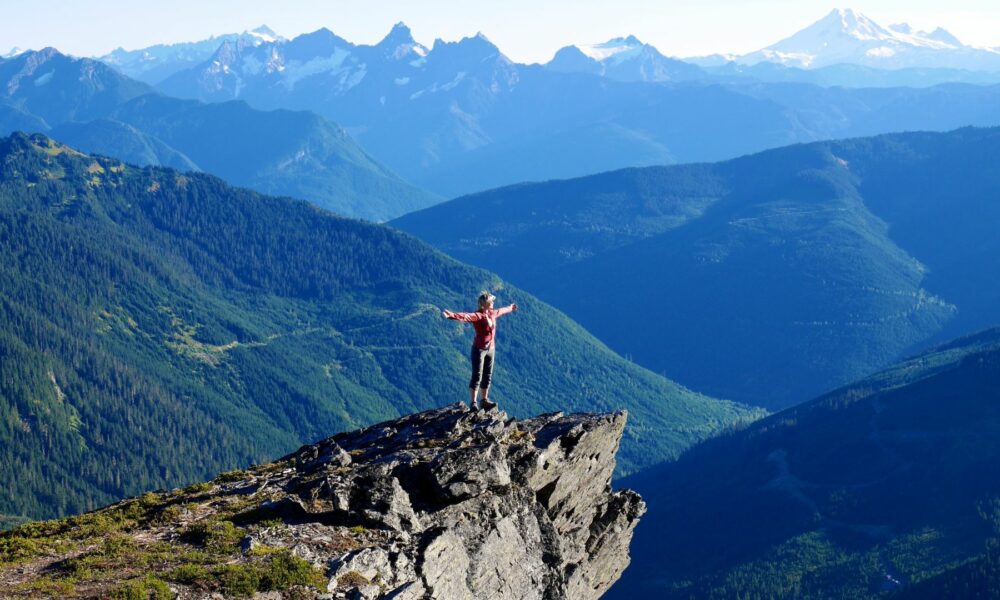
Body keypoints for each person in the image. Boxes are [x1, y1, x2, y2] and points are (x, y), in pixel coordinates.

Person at [442, 291, 519, 411]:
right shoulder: (478, 316)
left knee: (487, 375)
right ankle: (473, 402)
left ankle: (484, 400)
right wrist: (452, 315)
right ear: (484, 305)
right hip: (479, 349)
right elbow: (466, 316)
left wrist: (510, 308)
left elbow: (502, 310)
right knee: (477, 375)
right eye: (491, 301)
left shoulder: (492, 313)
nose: (493, 302)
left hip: (491, 349)